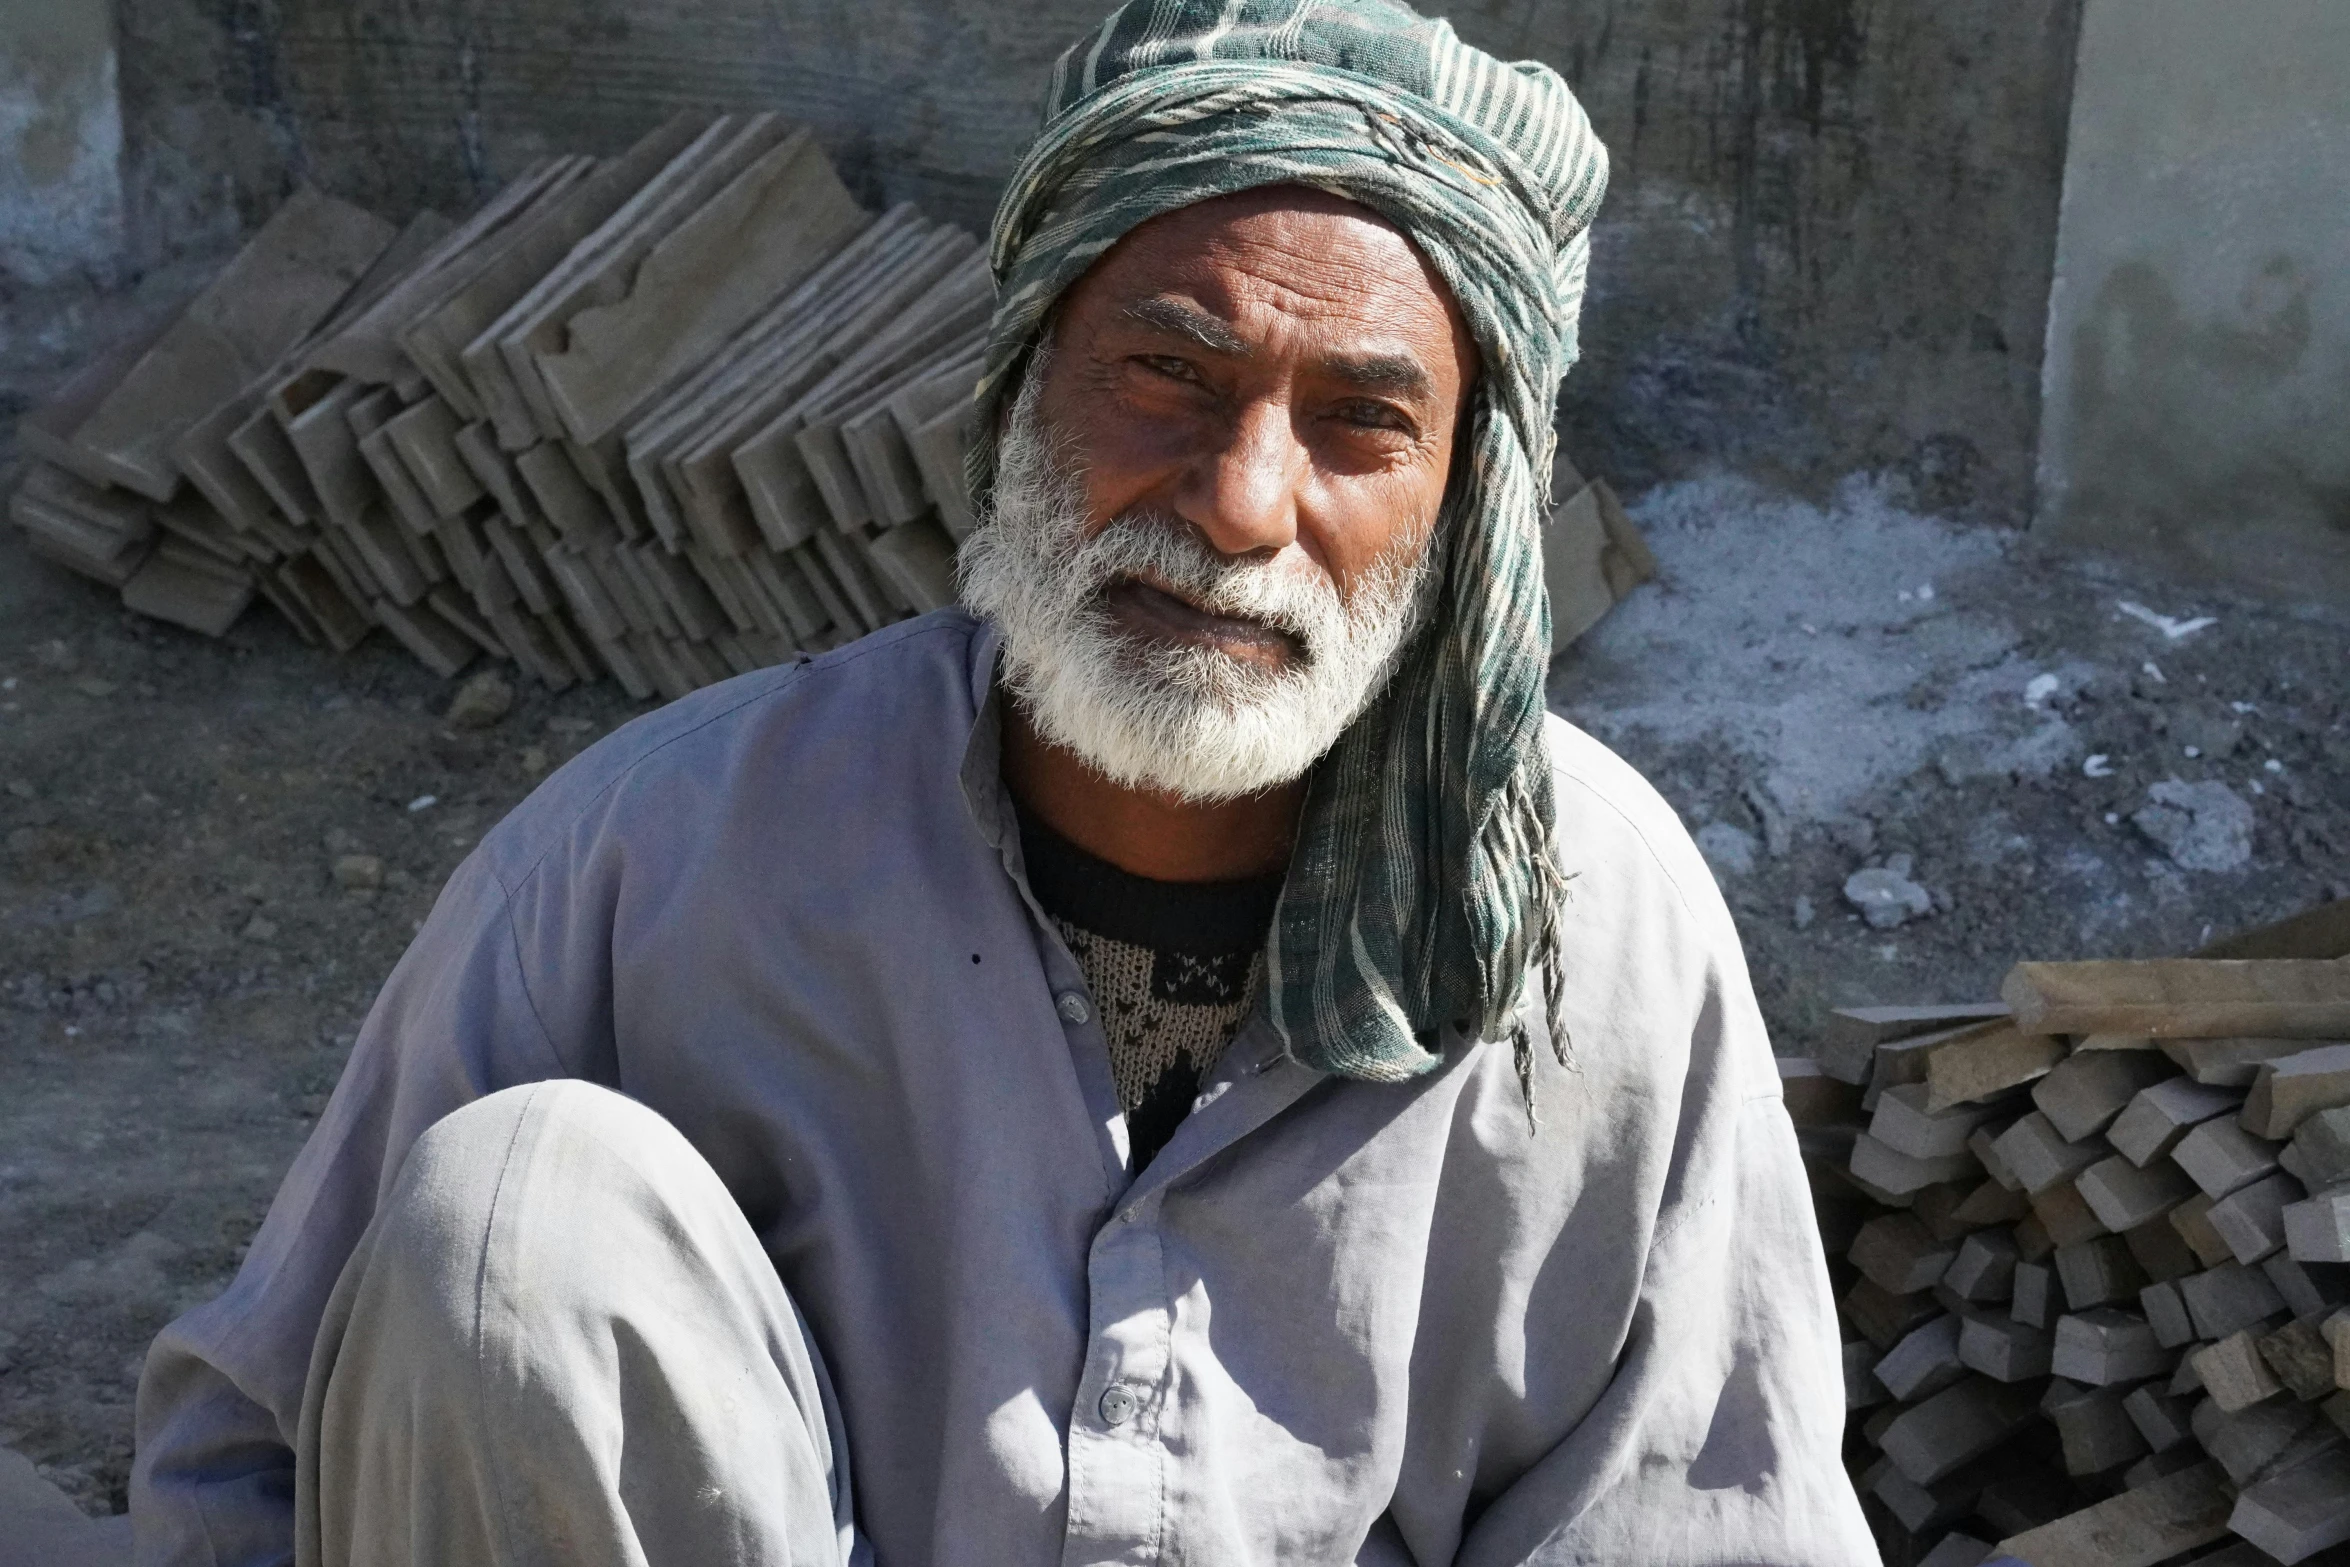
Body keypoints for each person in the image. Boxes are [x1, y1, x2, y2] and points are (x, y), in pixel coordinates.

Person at [132, 3, 1875, 1563]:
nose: (1241, 502)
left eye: (1358, 423)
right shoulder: (657, 857)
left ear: (1464, 504)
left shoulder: (1602, 929)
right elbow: (258, 1468)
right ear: (1026, 386)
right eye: (1168, 376)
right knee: (520, 1209)